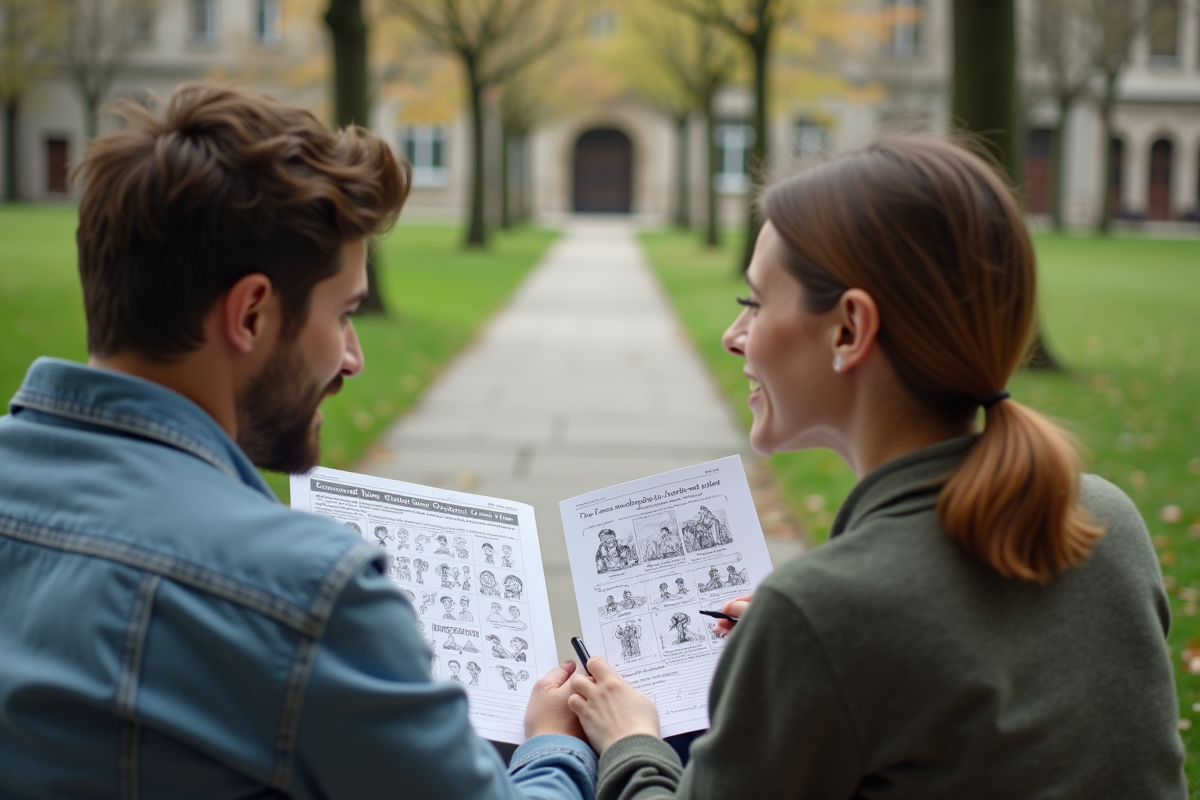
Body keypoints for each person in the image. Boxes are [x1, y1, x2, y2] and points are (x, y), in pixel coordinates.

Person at [0, 83, 594, 799]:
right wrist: (555, 749)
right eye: (344, 314)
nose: (353, 359)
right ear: (251, 313)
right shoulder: (305, 591)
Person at [565, 137, 1185, 798]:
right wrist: (809, 648)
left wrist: (632, 740)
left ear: (849, 330)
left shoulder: (821, 614)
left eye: (754, 302)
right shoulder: (1107, 518)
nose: (733, 335)